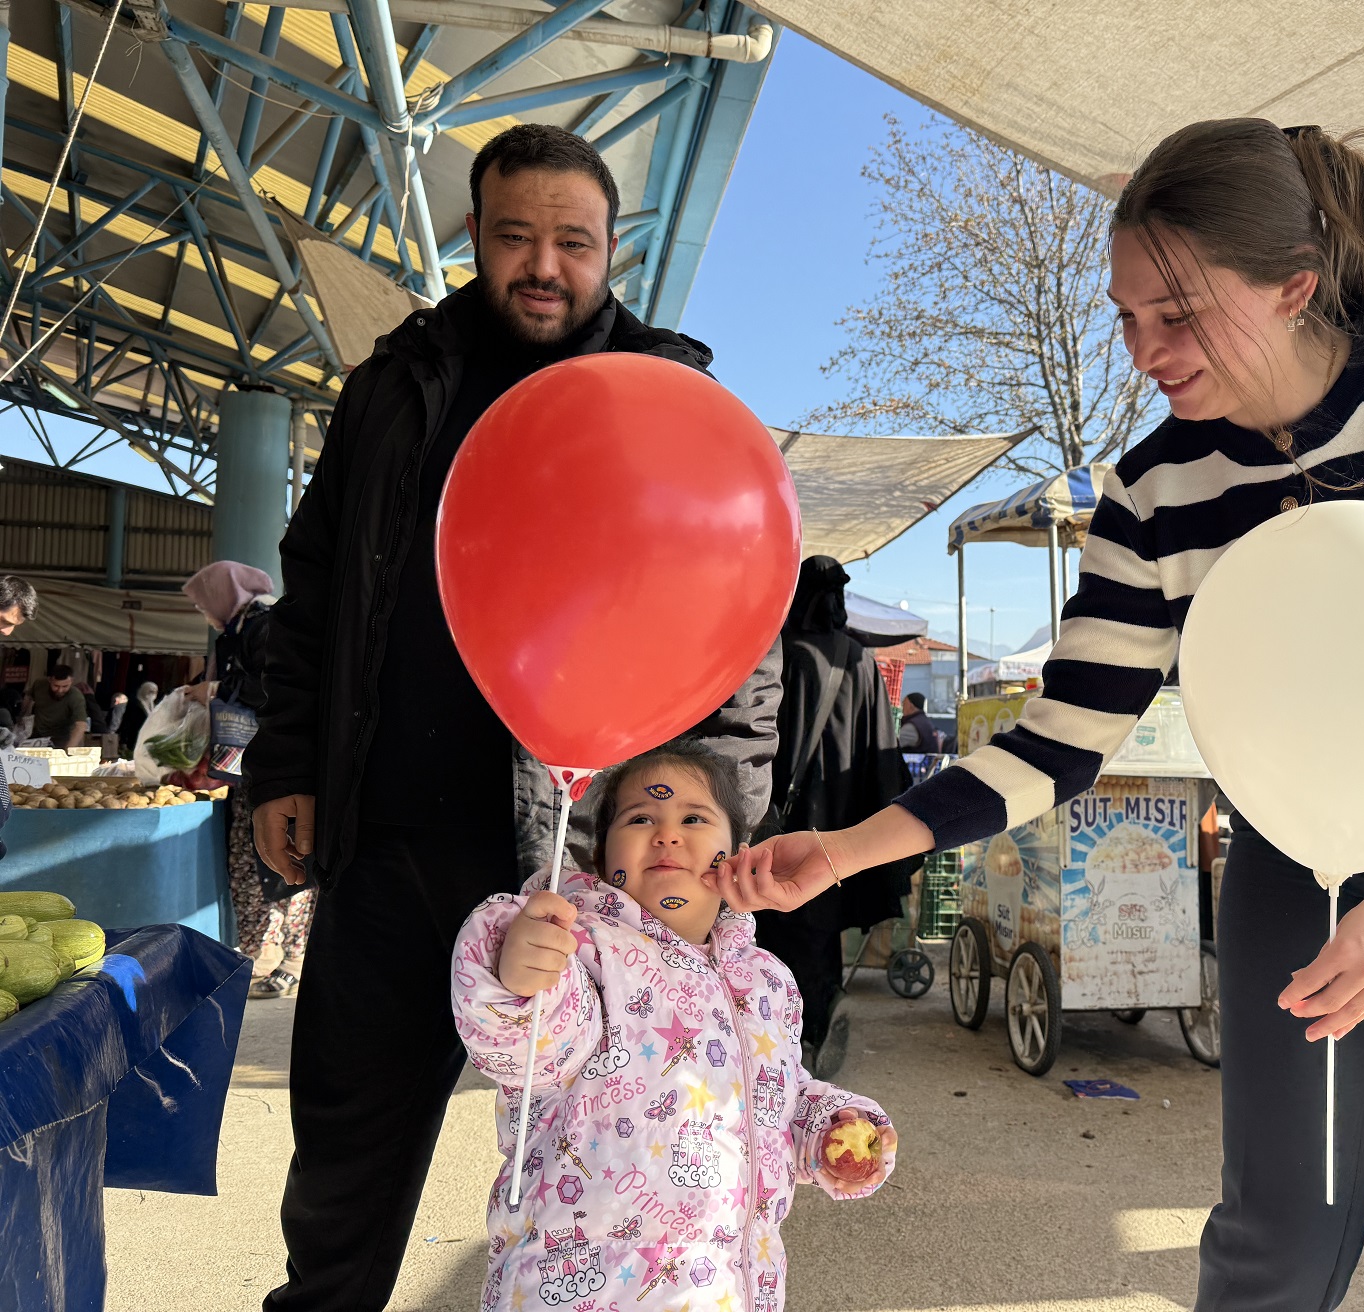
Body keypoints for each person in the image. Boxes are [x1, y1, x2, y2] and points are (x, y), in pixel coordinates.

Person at [712, 119, 1364, 1311]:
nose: (1145, 349)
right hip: (1301, 847)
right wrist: (841, 852)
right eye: (1127, 316)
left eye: (1179, 315)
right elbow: (1060, 737)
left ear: (1293, 285)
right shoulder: (1151, 491)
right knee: (1276, 1238)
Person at [245, 123, 782, 1312]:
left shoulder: (668, 400)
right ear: (477, 238)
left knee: (615, 1175)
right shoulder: (395, 385)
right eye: (515, 236)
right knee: (343, 1152)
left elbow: (736, 633)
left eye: (573, 242)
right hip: (390, 843)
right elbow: (316, 579)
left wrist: (713, 831)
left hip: (582, 875)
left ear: (612, 252)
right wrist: (284, 761)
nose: (544, 264)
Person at [452, 739, 894, 1312]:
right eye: (640, 818)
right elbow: (530, 1050)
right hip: (576, 1287)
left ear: (738, 853)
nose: (666, 834)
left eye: (693, 818)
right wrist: (519, 976)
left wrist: (825, 1126)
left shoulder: (767, 982)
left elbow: (775, 1093)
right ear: (597, 853)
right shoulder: (580, 950)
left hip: (728, 1290)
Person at [754, 556, 918, 1077]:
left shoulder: (777, 653)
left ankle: (774, 1035)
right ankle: (819, 1018)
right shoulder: (859, 659)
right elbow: (881, 752)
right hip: (840, 823)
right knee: (821, 931)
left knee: (770, 927)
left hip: (779, 819)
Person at [185, 561, 315, 1000]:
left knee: (290, 863)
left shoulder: (264, 628)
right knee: (253, 861)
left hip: (281, 768)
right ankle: (264, 952)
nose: (203, 611)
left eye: (204, 601)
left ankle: (294, 958)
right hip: (249, 769)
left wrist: (218, 690)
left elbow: (273, 691)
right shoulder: (235, 633)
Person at [24, 664, 89, 750]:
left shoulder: (76, 697)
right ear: (50, 680)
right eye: (56, 686)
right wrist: (23, 716)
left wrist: (68, 750)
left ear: (71, 681)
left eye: (65, 686)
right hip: (37, 736)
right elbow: (28, 698)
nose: (60, 690)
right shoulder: (39, 685)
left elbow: (80, 726)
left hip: (61, 738)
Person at [117, 680, 158, 754]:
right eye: (150, 691)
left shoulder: (152, 706)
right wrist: (123, 741)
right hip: (133, 739)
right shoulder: (134, 705)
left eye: (154, 692)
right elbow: (127, 722)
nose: (152, 695)